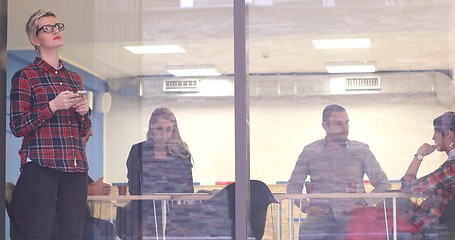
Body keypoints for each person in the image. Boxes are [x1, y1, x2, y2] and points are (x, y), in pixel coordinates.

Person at [9, 9, 91, 240]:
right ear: (35, 40)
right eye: (47, 28)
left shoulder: (73, 77)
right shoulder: (25, 76)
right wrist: (52, 106)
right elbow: (17, 126)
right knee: (40, 234)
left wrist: (84, 113)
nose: (55, 30)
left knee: (73, 235)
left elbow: (83, 130)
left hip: (75, 167)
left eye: (57, 26)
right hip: (42, 168)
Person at [286, 104, 391, 240]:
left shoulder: (361, 150)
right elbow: (293, 187)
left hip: (353, 216)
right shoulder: (310, 152)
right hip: (318, 218)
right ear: (325, 125)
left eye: (347, 123)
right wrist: (306, 207)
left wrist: (362, 204)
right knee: (308, 230)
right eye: (338, 124)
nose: (344, 128)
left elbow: (383, 185)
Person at [8, 127, 117, 240]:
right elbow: (50, 188)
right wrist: (91, 190)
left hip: (58, 214)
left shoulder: (72, 158)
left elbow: (84, 183)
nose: (91, 133)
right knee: (92, 232)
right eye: (85, 127)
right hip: (31, 219)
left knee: (108, 229)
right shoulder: (51, 155)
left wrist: (95, 188)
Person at [116, 107, 194, 239]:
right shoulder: (138, 150)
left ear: (173, 130)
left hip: (176, 213)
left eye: (168, 129)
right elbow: (135, 188)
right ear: (151, 128)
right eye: (159, 129)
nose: (164, 134)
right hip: (145, 212)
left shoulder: (181, 152)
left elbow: (187, 189)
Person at [400, 111, 455, 238]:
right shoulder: (449, 165)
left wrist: (419, 156)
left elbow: (408, 187)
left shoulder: (451, 168)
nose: (433, 137)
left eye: (436, 132)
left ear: (447, 133)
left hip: (425, 230)